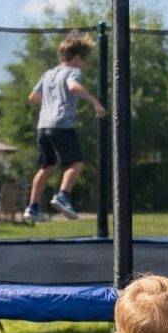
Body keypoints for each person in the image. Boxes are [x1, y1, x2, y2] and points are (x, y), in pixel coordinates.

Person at [24, 34, 105, 222]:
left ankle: (32, 207)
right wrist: (95, 103)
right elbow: (74, 87)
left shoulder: (48, 74)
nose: (85, 64)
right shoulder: (72, 72)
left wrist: (50, 103)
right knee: (76, 164)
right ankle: (63, 195)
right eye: (84, 60)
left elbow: (33, 96)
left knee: (46, 167)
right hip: (62, 124)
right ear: (76, 58)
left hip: (43, 126)